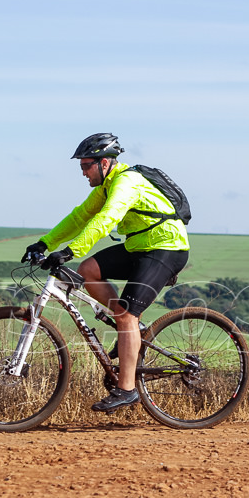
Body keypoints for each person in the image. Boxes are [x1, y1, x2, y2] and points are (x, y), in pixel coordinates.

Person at [22, 133, 190, 413]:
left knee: (126, 316)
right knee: (89, 270)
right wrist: (45, 243)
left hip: (166, 248)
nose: (83, 172)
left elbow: (106, 219)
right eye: (81, 167)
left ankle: (127, 390)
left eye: (86, 166)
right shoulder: (106, 185)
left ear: (104, 163)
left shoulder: (126, 183)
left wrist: (70, 251)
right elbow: (80, 217)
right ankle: (132, 330)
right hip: (139, 246)